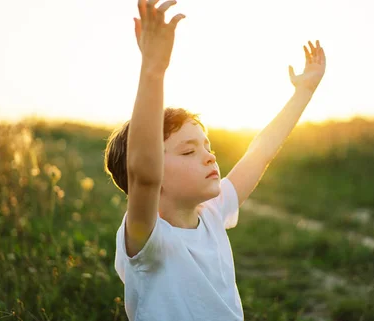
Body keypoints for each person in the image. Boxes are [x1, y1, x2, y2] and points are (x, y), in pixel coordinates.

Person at [104, 0, 326, 319]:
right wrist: (153, 69)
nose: (208, 156)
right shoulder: (146, 239)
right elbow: (144, 174)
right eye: (188, 151)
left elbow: (260, 152)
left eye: (207, 146)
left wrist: (303, 92)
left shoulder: (211, 211)